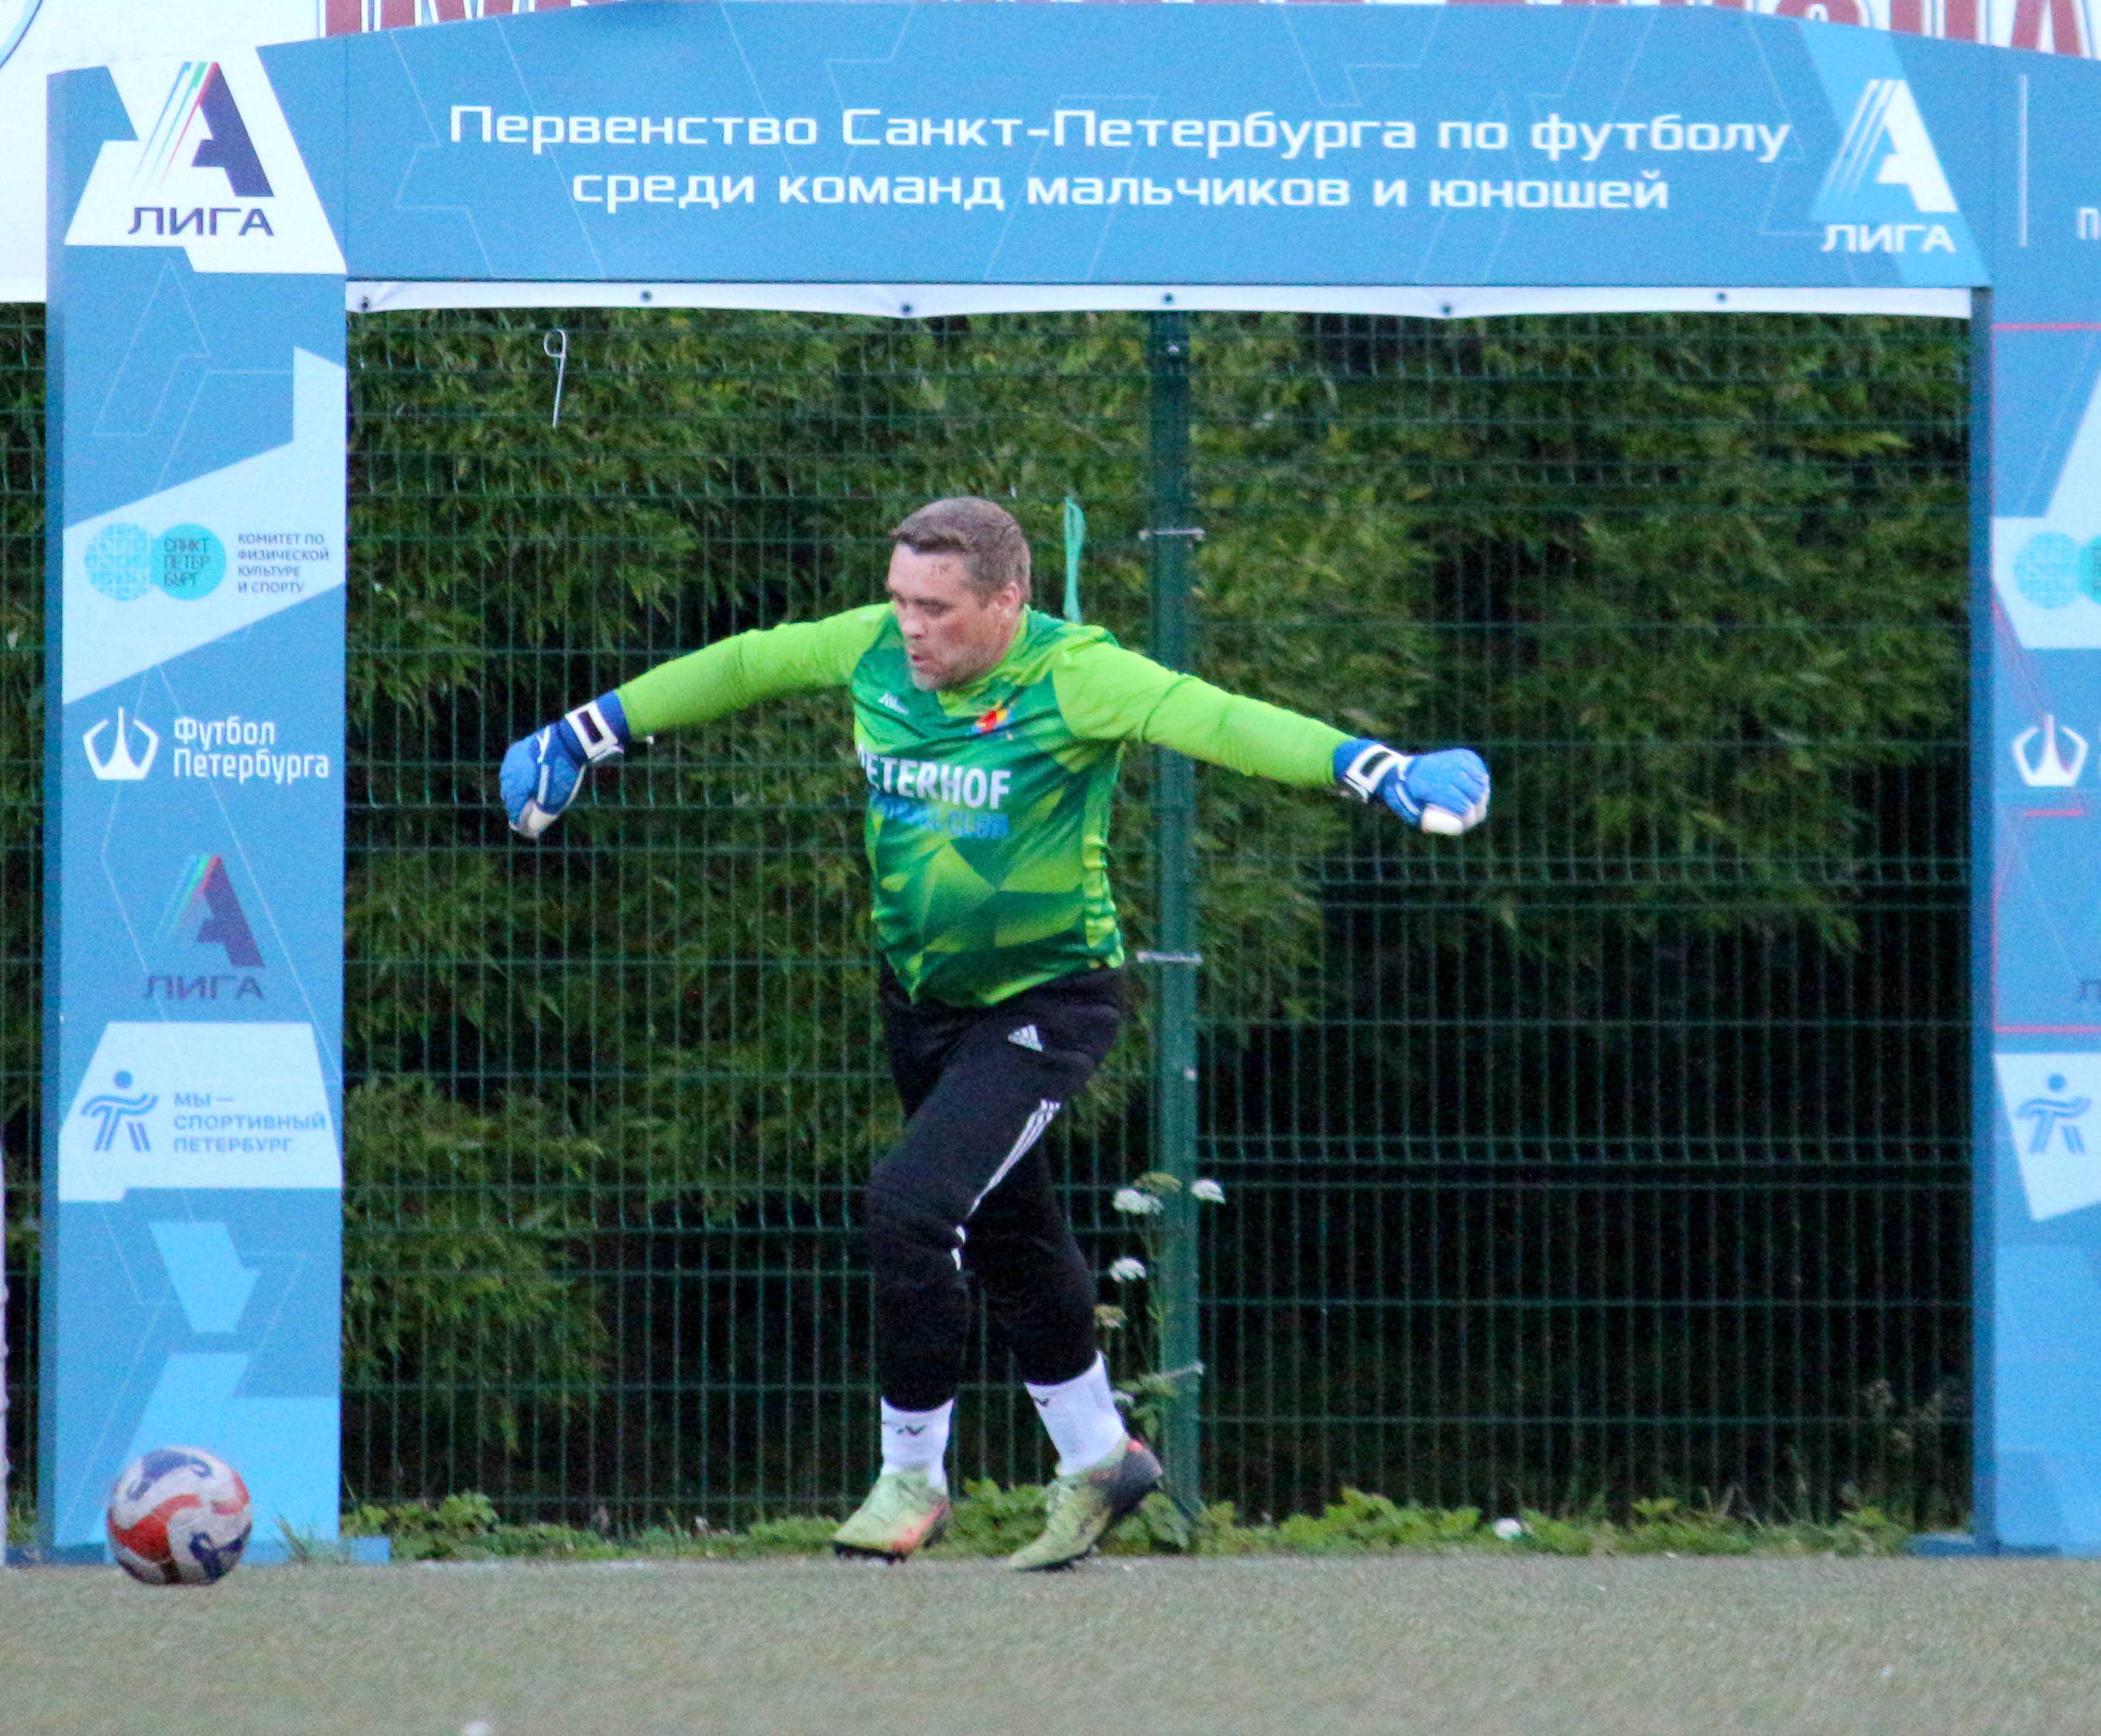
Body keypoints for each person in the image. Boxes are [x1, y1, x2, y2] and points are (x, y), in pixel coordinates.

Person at [498, 494, 1489, 1572]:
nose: (911, 627)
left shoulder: (1076, 676)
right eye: (900, 600)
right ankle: (1102, 1457)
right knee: (1012, 1229)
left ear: (1009, 601)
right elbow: (745, 663)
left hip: (1047, 1002)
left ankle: (912, 1476)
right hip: (921, 999)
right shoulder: (874, 651)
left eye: (938, 608)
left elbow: (1218, 719)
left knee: (909, 1208)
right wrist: (585, 732)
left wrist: (1377, 768)